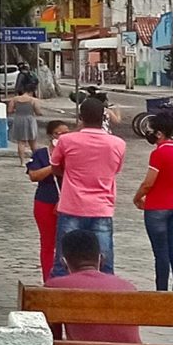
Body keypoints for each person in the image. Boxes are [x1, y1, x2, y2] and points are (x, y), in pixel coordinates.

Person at [49, 95, 126, 273]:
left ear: (81, 118)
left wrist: (70, 174)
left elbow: (55, 167)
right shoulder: (118, 144)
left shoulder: (66, 141)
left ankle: (60, 296)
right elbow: (115, 170)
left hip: (71, 206)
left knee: (62, 261)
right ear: (104, 117)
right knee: (105, 262)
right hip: (102, 207)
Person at [134, 112, 173, 291]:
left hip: (157, 207)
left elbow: (148, 183)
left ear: (159, 134)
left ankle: (161, 291)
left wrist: (137, 198)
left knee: (160, 253)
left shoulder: (158, 154)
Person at [26, 117, 68, 278]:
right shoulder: (41, 154)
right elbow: (34, 175)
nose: (63, 137)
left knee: (67, 242)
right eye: (59, 134)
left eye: (66, 133)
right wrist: (53, 165)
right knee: (48, 243)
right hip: (45, 200)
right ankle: (48, 278)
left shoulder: (72, 154)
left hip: (68, 201)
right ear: (51, 136)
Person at [5, 76, 43, 161]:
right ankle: (36, 159)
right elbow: (38, 112)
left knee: (21, 142)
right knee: (33, 142)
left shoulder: (15, 99)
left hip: (18, 119)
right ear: (32, 91)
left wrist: (18, 110)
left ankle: (22, 161)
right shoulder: (33, 100)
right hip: (29, 120)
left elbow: (10, 110)